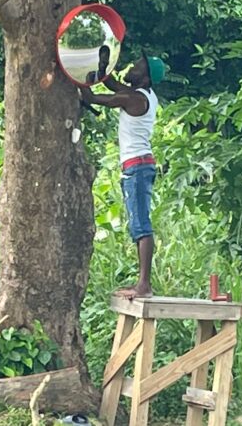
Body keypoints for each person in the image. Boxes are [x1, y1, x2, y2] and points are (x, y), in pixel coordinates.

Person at [80, 53, 166, 300]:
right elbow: (110, 84)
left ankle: (144, 284)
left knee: (141, 223)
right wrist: (102, 68)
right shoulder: (144, 95)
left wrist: (77, 78)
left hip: (136, 167)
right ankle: (143, 282)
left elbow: (95, 97)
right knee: (139, 220)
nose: (133, 68)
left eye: (138, 67)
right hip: (141, 164)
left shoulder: (134, 97)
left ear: (146, 78)